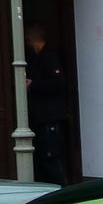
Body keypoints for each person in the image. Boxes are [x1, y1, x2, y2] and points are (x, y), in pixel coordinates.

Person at [24, 23, 70, 186]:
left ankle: (62, 189)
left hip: (50, 116)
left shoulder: (49, 56)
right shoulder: (38, 57)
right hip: (42, 116)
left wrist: (33, 85)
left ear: (32, 40)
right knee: (45, 155)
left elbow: (58, 83)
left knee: (51, 155)